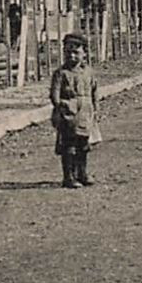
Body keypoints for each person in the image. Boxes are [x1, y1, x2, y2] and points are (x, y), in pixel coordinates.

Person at [50, 33, 99, 188]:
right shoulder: (61, 73)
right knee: (69, 146)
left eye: (76, 52)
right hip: (68, 116)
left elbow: (94, 91)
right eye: (68, 52)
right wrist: (62, 107)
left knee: (83, 145)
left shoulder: (88, 72)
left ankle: (82, 173)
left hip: (85, 113)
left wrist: (95, 109)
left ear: (84, 54)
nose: (71, 56)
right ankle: (68, 177)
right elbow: (54, 95)